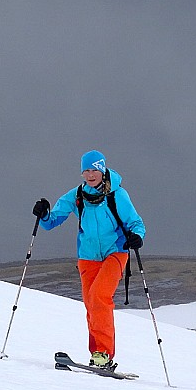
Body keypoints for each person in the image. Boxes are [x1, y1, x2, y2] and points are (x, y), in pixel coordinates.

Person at [32, 150, 146, 372]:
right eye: (86, 170)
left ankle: (104, 353)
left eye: (94, 169)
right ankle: (97, 354)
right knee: (91, 304)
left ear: (102, 170)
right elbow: (51, 221)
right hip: (87, 257)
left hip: (116, 252)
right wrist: (44, 214)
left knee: (99, 296)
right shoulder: (77, 196)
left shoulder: (117, 195)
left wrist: (137, 237)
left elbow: (136, 222)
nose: (90, 174)